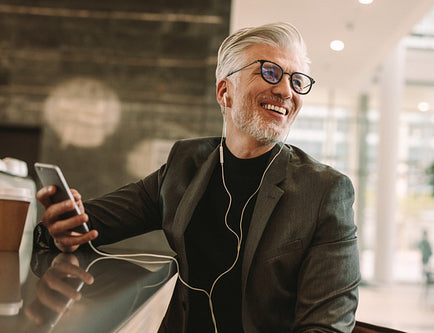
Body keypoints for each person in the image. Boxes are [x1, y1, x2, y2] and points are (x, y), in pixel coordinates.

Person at [36, 22, 361, 333]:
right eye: (270, 72)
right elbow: (88, 223)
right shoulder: (185, 165)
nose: (286, 91)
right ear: (224, 92)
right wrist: (60, 228)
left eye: (296, 80)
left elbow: (326, 327)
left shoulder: (324, 191)